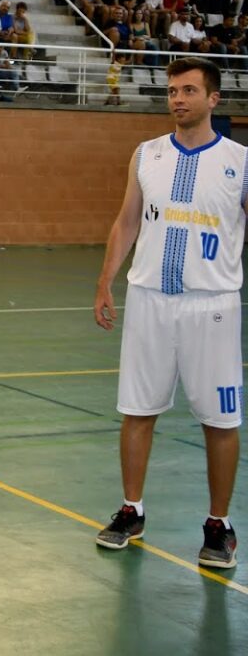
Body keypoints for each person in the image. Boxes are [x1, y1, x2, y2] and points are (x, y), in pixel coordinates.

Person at [93, 56, 242, 569]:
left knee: (220, 420)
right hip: (149, 300)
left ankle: (219, 525)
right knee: (138, 410)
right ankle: (131, 509)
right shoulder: (146, 155)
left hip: (213, 305)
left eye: (189, 91)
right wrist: (106, 280)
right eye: (173, 91)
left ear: (213, 99)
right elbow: (127, 221)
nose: (177, 99)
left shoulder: (240, 162)